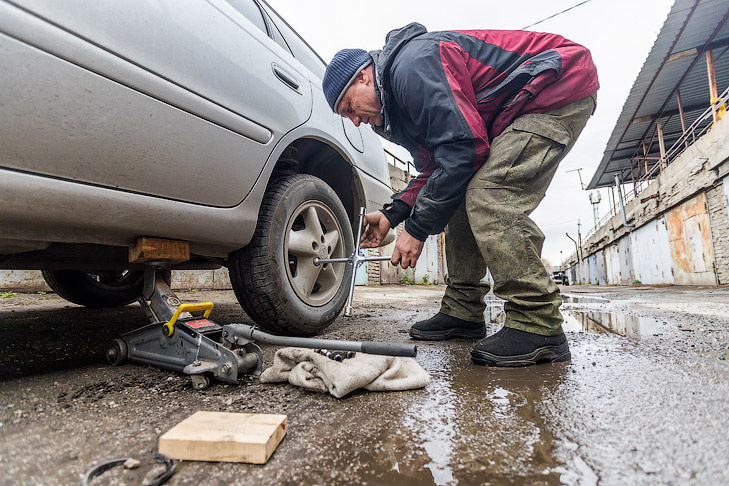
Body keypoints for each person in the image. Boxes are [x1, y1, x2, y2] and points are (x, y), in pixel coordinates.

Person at [322, 23, 598, 367]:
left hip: (554, 86)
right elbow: (437, 167)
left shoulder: (412, 68)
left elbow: (464, 149)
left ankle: (537, 323)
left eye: (349, 106)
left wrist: (417, 230)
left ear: (364, 76)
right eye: (346, 116)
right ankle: (464, 311)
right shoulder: (394, 113)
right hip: (512, 111)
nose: (355, 121)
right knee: (457, 195)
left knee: (489, 194)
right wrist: (393, 215)